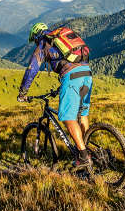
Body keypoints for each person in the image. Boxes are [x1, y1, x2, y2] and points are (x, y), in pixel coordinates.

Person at [17, 22, 94, 168]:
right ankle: (85, 148)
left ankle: (83, 156)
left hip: (71, 76)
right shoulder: (59, 37)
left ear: (36, 36)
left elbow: (31, 69)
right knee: (82, 113)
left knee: (67, 117)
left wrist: (23, 92)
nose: (35, 42)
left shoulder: (44, 44)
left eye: (34, 39)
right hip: (87, 72)